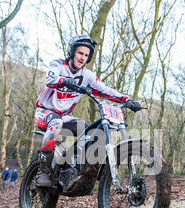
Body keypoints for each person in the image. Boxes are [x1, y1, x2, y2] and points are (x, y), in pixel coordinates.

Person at [34, 34, 142, 187]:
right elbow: (50, 80)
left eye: (86, 55)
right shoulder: (57, 65)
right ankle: (43, 171)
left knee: (94, 131)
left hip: (65, 117)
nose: (82, 57)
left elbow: (104, 89)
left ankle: (81, 169)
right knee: (56, 121)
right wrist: (64, 80)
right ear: (72, 52)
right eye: (80, 53)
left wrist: (126, 100)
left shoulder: (87, 76)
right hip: (44, 112)